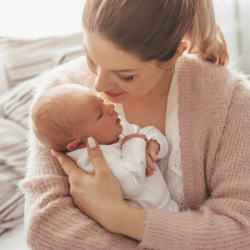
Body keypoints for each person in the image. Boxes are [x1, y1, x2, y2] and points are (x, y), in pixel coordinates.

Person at [19, 0, 250, 249]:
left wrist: (117, 216)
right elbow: (45, 225)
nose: (98, 86)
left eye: (125, 75)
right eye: (91, 57)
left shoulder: (231, 101)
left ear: (174, 54)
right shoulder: (59, 95)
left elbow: (239, 229)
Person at [31, 84, 179, 212]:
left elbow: (145, 132)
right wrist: (134, 142)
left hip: (169, 209)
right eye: (100, 114)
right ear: (79, 144)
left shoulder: (114, 131)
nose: (109, 106)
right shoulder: (91, 160)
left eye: (101, 101)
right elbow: (131, 185)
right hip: (146, 223)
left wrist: (154, 144)